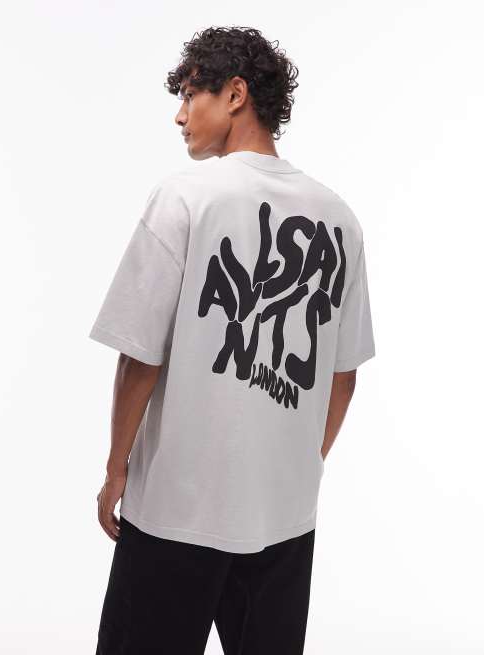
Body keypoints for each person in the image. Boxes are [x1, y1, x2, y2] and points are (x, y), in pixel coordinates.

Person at [90, 25, 376, 655]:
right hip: (284, 520)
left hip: (175, 513)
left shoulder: (185, 197)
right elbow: (343, 376)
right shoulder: (340, 218)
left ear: (236, 94)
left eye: (191, 94)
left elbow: (140, 357)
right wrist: (295, 465)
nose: (180, 115)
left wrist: (115, 471)